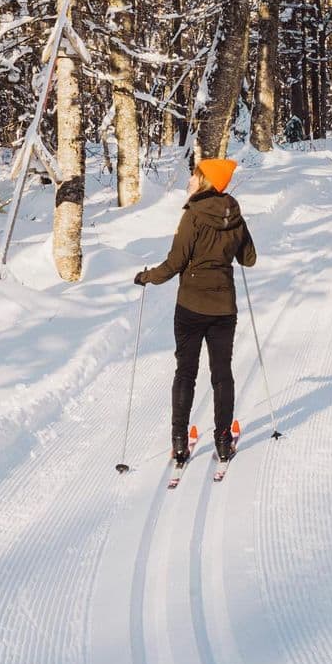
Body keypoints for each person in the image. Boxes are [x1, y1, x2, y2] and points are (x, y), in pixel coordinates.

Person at [133, 157, 256, 465]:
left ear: (205, 181)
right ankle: (223, 442)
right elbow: (249, 259)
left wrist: (147, 276)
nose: (189, 180)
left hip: (190, 306)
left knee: (186, 371)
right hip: (224, 308)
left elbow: (175, 263)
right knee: (222, 373)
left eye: (194, 175)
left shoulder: (193, 215)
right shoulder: (234, 213)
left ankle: (179, 443)